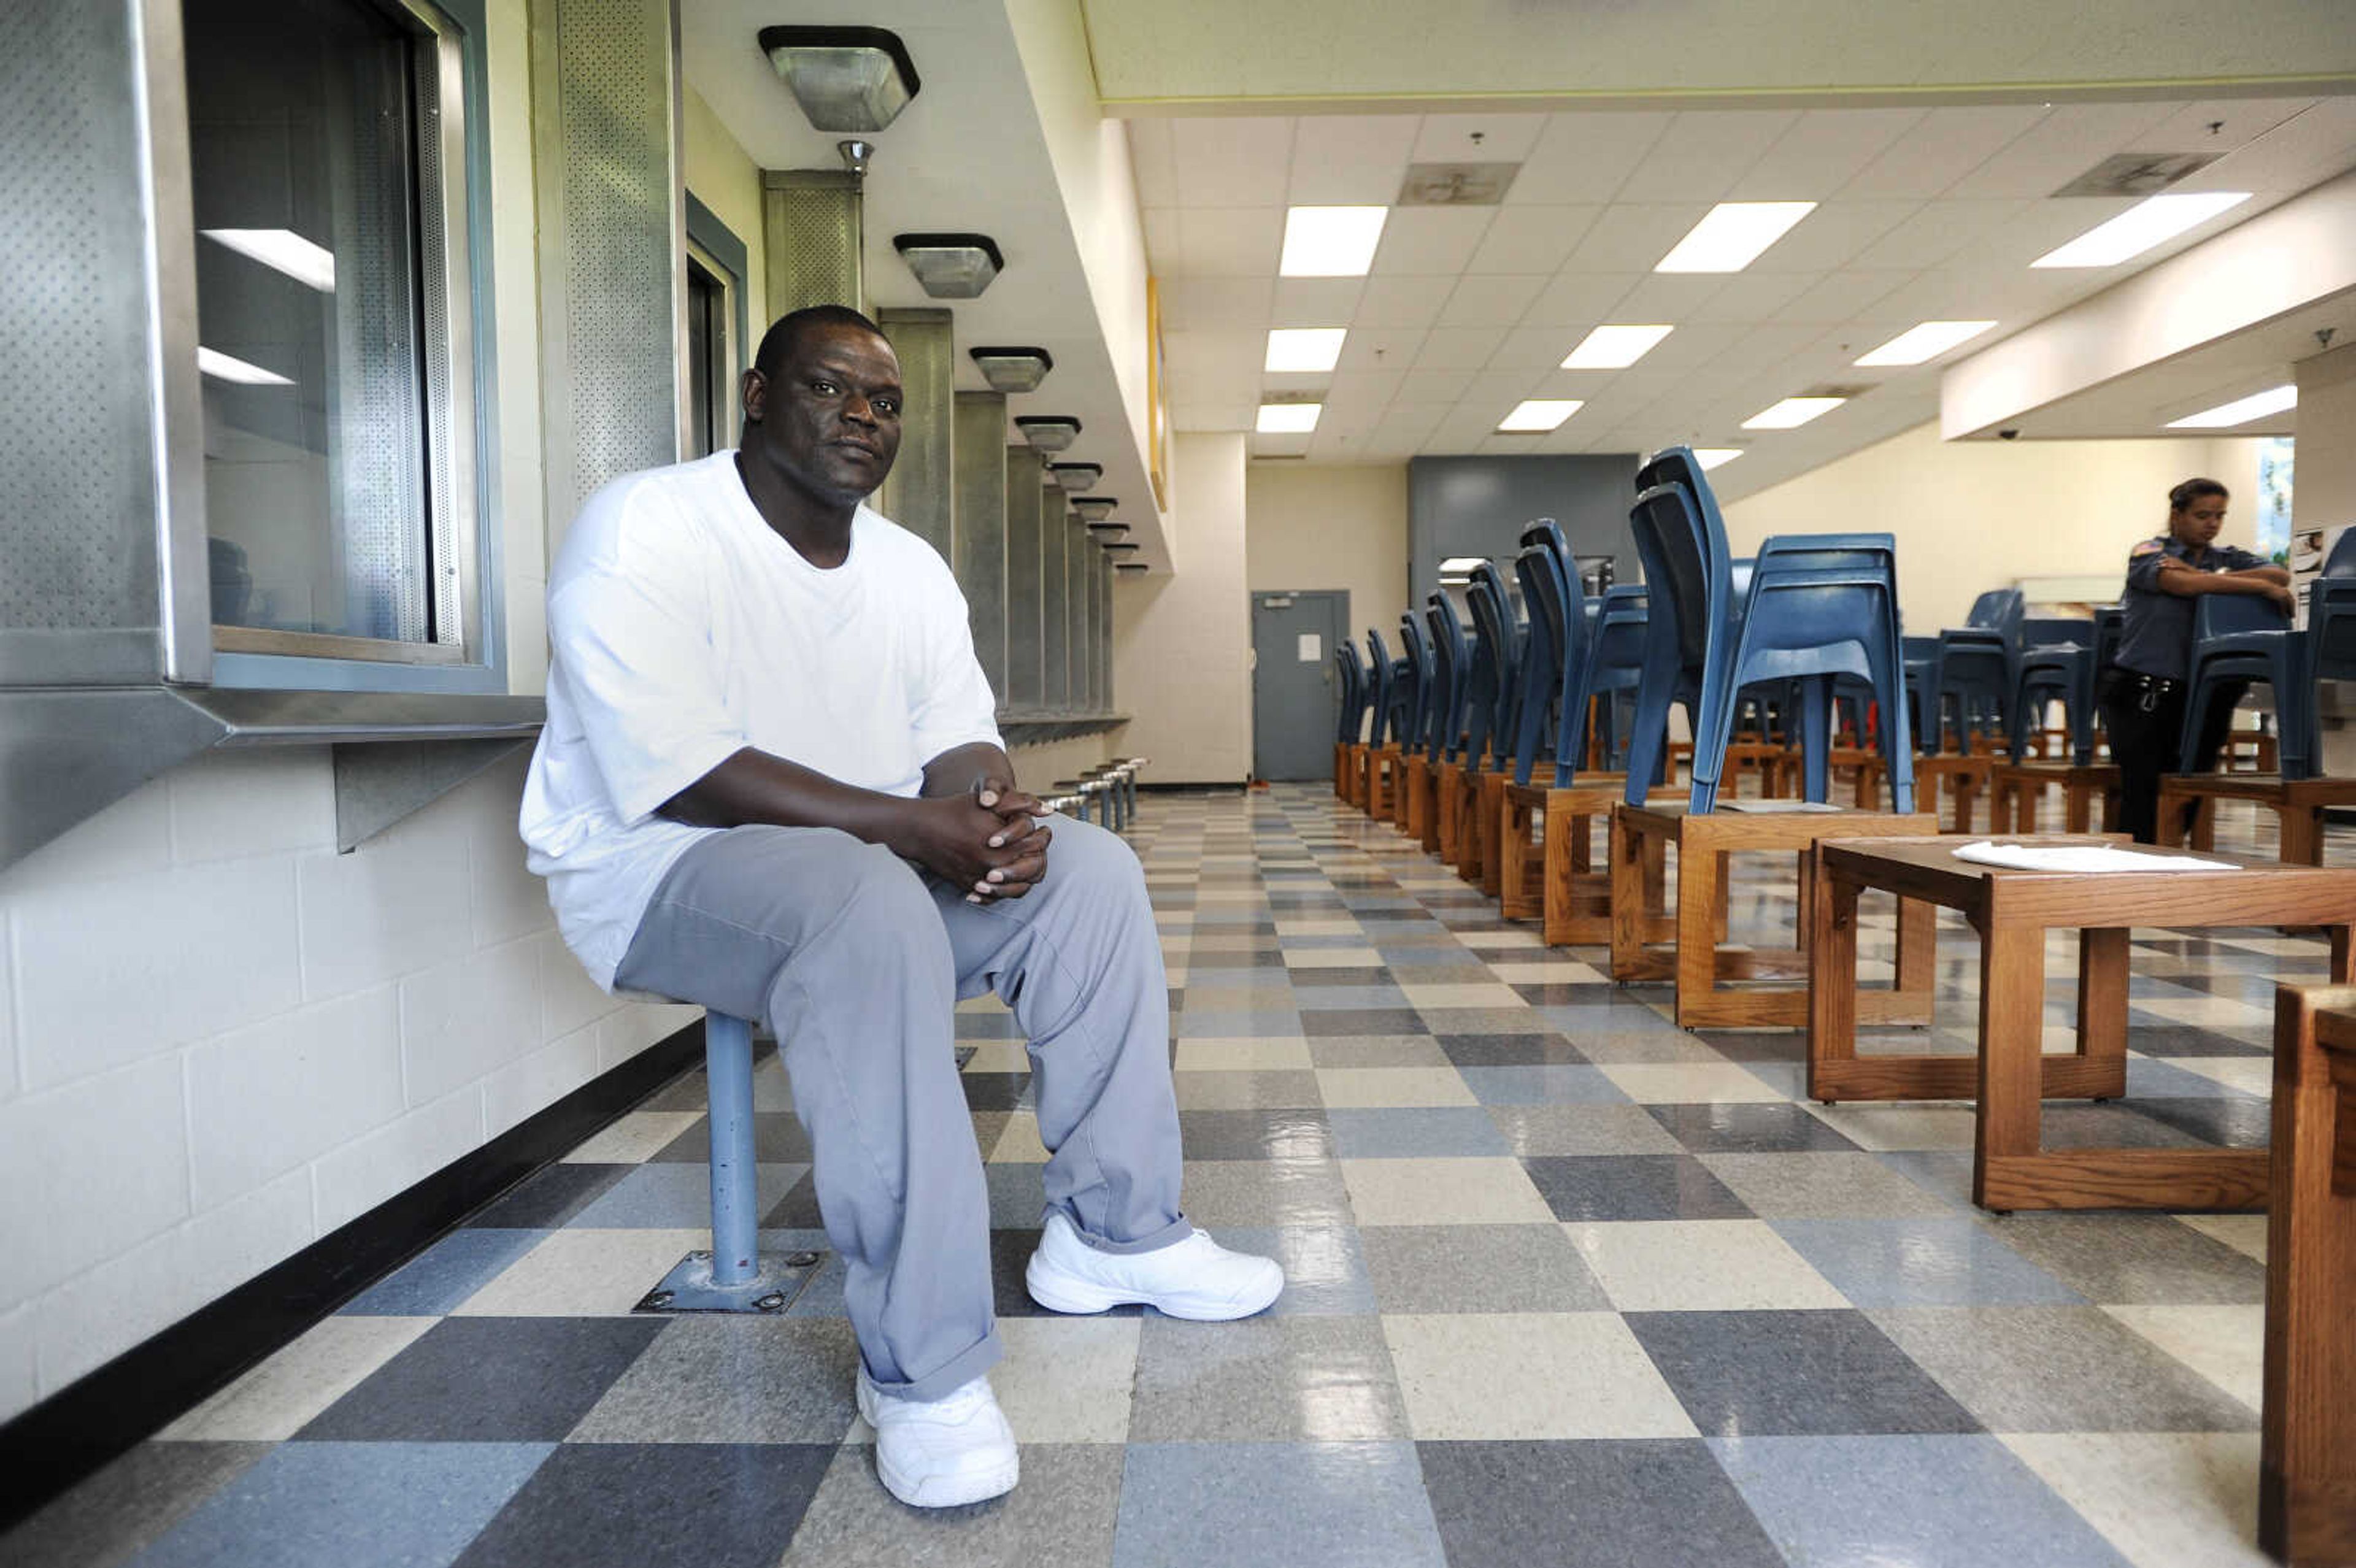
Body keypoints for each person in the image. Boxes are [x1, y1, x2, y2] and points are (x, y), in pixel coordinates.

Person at [518, 304, 1283, 1509]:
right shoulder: (648, 525)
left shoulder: (907, 566)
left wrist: (988, 819)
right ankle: (925, 1371)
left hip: (861, 868)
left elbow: (954, 736)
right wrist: (911, 831)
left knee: (1091, 874)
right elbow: (685, 773)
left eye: (883, 401)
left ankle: (1115, 1235)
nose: (862, 418)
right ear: (760, 395)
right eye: (831, 389)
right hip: (653, 871)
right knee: (866, 899)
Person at [2098, 477, 2295, 842]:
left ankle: (2171, 866)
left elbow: (2279, 573)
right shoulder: (2149, 550)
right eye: (2202, 515)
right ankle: (2133, 872)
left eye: (2220, 516)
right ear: (2177, 515)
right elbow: (2179, 584)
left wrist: (2209, 577)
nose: (2212, 524)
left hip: (2204, 691)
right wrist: (2258, 587)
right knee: (2143, 789)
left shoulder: (2228, 558)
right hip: (2144, 686)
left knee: (2192, 784)